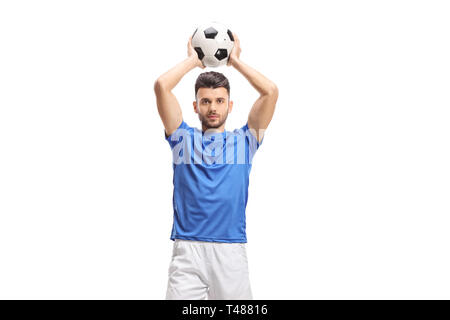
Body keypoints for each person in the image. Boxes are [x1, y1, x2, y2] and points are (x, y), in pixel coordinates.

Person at [154, 32, 278, 300]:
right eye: (206, 101)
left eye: (219, 101)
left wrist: (235, 62)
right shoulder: (182, 139)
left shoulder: (246, 141)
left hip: (230, 252)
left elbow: (270, 91)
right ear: (196, 106)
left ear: (230, 105)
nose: (213, 107)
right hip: (188, 251)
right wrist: (193, 60)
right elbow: (162, 86)